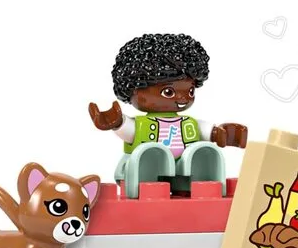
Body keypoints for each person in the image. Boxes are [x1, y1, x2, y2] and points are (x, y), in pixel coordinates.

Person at [88, 33, 247, 198]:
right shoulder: (140, 124)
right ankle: (148, 191)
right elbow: (128, 129)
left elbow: (204, 130)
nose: (183, 99)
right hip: (149, 167)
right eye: (169, 92)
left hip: (184, 166)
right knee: (147, 155)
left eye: (190, 91)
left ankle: (196, 187)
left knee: (199, 152)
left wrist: (219, 133)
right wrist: (117, 122)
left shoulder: (189, 123)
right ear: (133, 90)